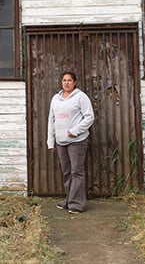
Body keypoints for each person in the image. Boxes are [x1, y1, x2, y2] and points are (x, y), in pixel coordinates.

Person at [47, 71, 95, 214]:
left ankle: (77, 204)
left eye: (69, 80)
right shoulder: (56, 98)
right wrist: (51, 141)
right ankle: (69, 199)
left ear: (74, 82)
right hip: (61, 141)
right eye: (64, 80)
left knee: (76, 171)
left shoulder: (81, 97)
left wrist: (75, 130)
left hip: (77, 141)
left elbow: (89, 117)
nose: (66, 83)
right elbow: (51, 120)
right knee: (67, 172)